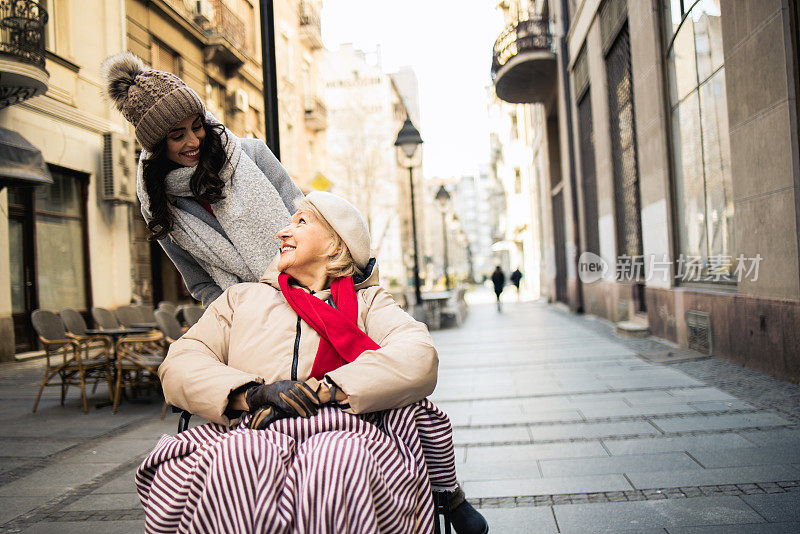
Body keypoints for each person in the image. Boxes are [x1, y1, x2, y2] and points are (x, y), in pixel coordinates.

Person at [136, 192, 488, 534]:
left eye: (301, 222)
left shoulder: (370, 304)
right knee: (238, 460)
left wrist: (324, 391)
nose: (282, 232)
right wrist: (254, 394)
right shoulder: (242, 298)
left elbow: (418, 355)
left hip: (347, 429)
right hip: (256, 425)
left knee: (337, 461)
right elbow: (180, 362)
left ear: (335, 244)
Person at [101, 52, 302, 306]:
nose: (193, 141)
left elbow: (307, 222)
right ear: (157, 145)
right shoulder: (159, 205)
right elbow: (199, 282)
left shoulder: (253, 155)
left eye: (197, 126)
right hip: (249, 319)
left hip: (310, 290)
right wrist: (236, 315)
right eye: (177, 136)